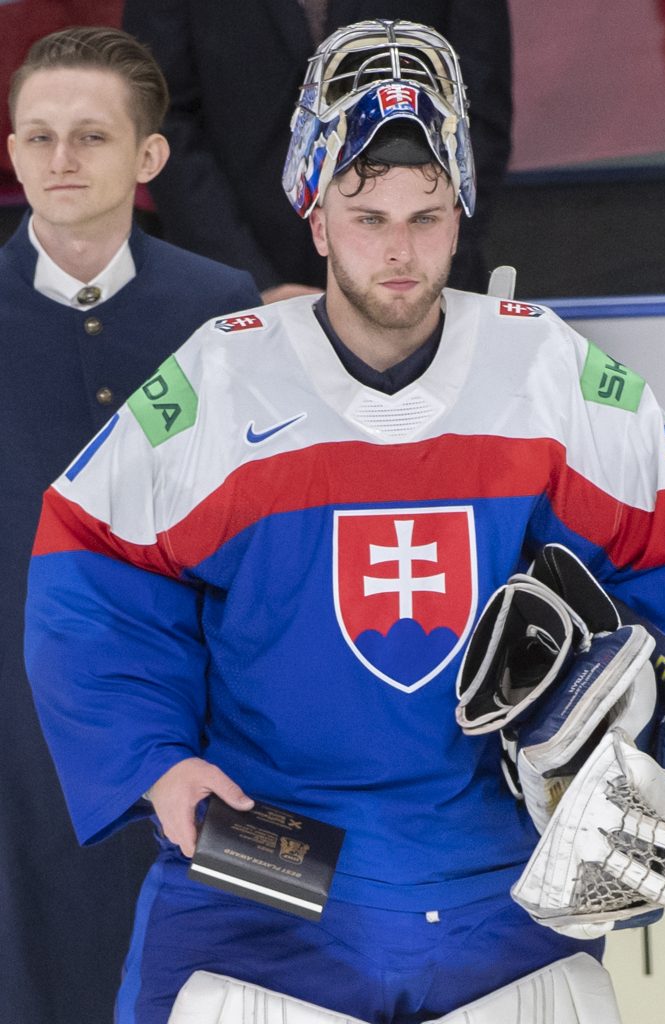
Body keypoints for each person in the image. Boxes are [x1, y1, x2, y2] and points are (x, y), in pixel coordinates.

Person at [24, 19, 665, 1024]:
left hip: (504, 890)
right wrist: (152, 763)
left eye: (427, 215)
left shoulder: (544, 373)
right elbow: (88, 562)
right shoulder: (221, 376)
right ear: (315, 215)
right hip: (266, 885)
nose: (399, 250)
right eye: (367, 215)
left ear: (461, 213)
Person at [2, 25, 261, 1024]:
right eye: (39, 136)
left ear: (150, 155)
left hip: (190, 718)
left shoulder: (218, 311)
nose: (60, 158)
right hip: (13, 734)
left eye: (91, 136)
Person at [120, 0, 512, 300]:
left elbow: (477, 115)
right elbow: (161, 116)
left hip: (417, 287)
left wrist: (422, 259)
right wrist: (247, 281)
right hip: (232, 284)